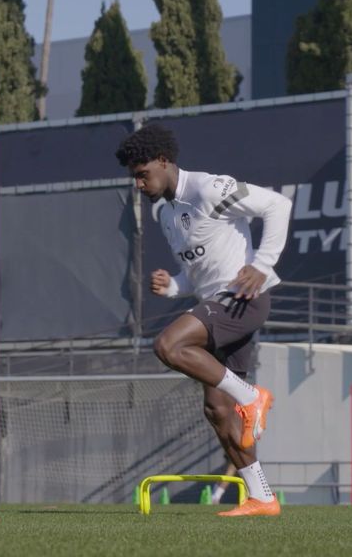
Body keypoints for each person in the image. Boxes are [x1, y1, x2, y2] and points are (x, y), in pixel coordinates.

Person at [115, 123, 291, 517]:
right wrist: (174, 287)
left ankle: (252, 396)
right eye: (134, 178)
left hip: (244, 299)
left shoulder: (209, 189)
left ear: (164, 161)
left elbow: (278, 206)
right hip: (218, 306)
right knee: (217, 410)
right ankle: (262, 496)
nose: (139, 184)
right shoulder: (166, 215)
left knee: (168, 345)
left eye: (143, 174)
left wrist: (262, 265)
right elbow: (198, 276)